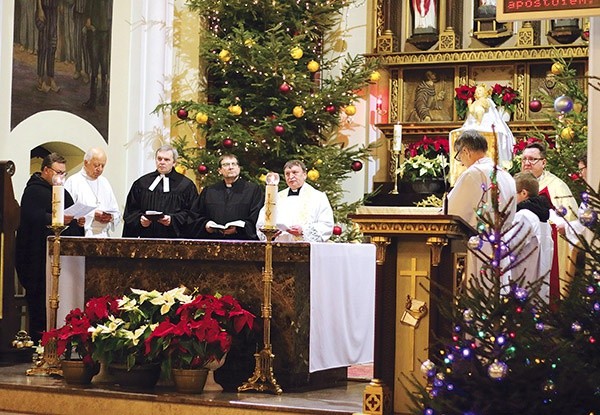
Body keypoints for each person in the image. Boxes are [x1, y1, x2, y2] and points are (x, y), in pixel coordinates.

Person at [15, 153, 85, 341]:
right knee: (40, 301)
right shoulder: (33, 191)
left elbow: (70, 213)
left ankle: (62, 341)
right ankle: (40, 343)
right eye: (58, 172)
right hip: (37, 257)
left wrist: (78, 221)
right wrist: (57, 219)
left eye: (64, 173)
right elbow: (32, 218)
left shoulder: (62, 191)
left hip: (62, 258)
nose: (61, 177)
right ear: (46, 170)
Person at [520, 142, 578, 298]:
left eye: (532, 159)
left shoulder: (557, 186)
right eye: (524, 158)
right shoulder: (517, 182)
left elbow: (569, 220)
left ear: (543, 162)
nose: (526, 163)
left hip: (548, 246)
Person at [122, 144, 197, 238]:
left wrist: (173, 220)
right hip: (147, 239)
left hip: (174, 241)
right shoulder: (142, 183)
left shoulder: (185, 185)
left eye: (166, 160)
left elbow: (193, 214)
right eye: (159, 159)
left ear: (174, 162)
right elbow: (131, 211)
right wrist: (140, 219)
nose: (162, 162)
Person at [447, 130, 516, 229]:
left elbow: (453, 213)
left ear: (466, 151)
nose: (461, 163)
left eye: (459, 157)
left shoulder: (473, 174)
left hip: (478, 241)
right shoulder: (507, 176)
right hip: (504, 240)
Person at [256, 160, 334, 242]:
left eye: (295, 172)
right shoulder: (276, 197)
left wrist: (303, 231)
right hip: (279, 247)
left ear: (304, 175)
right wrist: (271, 233)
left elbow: (326, 225)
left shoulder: (318, 197)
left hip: (305, 248)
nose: (291, 176)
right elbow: (262, 221)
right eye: (287, 174)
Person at [189, 154, 263, 240]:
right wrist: (206, 225)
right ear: (219, 170)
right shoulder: (209, 191)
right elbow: (195, 215)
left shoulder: (253, 190)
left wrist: (238, 229)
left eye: (234, 164)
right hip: (214, 241)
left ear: (239, 168)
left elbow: (257, 216)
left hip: (242, 241)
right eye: (226, 165)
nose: (230, 167)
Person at [511, 172, 553, 301]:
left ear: (524, 193)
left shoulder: (524, 216)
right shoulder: (544, 218)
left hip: (521, 284)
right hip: (538, 285)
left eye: (513, 192)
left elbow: (510, 246)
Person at [65, 147, 121, 237]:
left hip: (104, 235)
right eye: (96, 165)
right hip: (84, 234)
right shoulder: (73, 181)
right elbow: (67, 213)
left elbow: (116, 212)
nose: (100, 169)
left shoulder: (105, 182)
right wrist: (92, 215)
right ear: (86, 162)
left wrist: (111, 217)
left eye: (103, 166)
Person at [35, 0, 60, 93]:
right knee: (42, 46)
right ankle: (40, 80)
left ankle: (51, 78)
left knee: (52, 46)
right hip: (43, 8)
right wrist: (40, 9)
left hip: (54, 8)